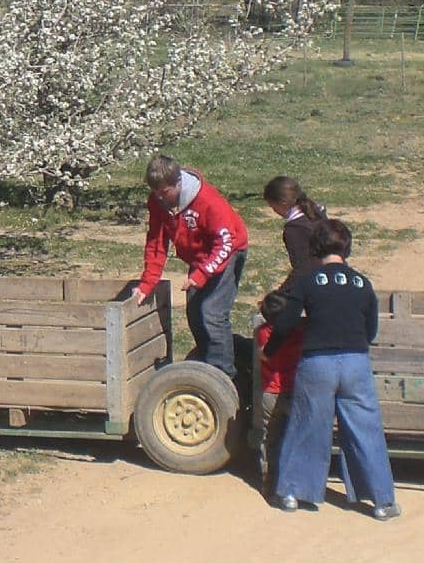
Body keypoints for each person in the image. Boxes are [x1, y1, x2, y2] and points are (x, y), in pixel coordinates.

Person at [266, 218, 399, 519]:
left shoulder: (308, 282)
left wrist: (270, 351)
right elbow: (371, 330)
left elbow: (285, 323)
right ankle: (381, 501)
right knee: (365, 430)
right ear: (347, 248)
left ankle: (292, 493)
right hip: (355, 362)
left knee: (307, 425)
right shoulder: (363, 283)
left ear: (315, 248)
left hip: (318, 363)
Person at [133, 154, 248, 382]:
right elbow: (156, 242)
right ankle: (208, 361)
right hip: (199, 258)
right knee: (195, 314)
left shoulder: (207, 201)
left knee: (212, 312)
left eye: (164, 192)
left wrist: (202, 273)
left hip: (227, 250)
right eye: (155, 192)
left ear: (178, 183)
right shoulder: (158, 202)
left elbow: (226, 241)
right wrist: (147, 283)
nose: (159, 197)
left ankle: (224, 377)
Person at [252, 176, 329, 492]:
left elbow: (301, 268)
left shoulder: (294, 229)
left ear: (280, 204)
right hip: (326, 295)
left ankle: (274, 482)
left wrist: (281, 298)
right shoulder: (318, 215)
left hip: (308, 296)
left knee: (272, 432)